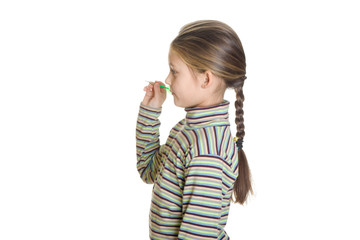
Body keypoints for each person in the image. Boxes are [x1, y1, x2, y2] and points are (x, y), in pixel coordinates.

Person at [136, 20, 253, 240]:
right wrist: (151, 111)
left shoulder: (207, 152)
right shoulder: (186, 130)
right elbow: (148, 169)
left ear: (206, 79)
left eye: (174, 71)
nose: (167, 79)